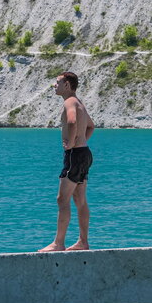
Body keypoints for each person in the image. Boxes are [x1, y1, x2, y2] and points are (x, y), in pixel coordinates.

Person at [40, 71, 94, 252]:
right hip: (84, 153)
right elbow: (91, 126)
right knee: (80, 199)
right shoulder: (80, 103)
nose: (54, 85)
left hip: (74, 155)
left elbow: (71, 122)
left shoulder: (69, 102)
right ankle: (83, 241)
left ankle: (58, 243)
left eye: (58, 82)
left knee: (62, 199)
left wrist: (70, 144)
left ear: (67, 85)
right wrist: (81, 141)